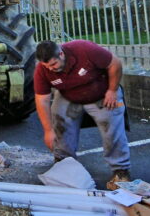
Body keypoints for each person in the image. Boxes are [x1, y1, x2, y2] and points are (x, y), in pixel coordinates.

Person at [33, 40, 131, 190]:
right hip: (69, 96)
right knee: (58, 118)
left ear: (61, 54)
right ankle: (63, 165)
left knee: (111, 124)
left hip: (102, 92)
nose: (50, 69)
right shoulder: (42, 69)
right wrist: (48, 130)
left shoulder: (85, 50)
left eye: (53, 65)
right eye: (47, 66)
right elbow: (42, 99)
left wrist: (112, 90)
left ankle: (121, 170)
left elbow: (115, 64)